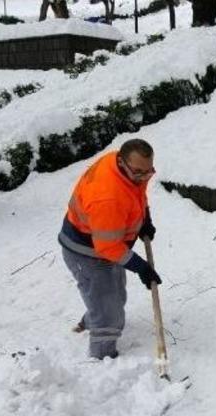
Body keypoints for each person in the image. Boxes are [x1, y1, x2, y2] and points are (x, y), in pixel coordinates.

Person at [58, 139, 162, 359]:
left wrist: (144, 219)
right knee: (109, 315)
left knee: (115, 295)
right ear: (123, 162)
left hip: (105, 242)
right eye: (138, 173)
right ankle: (103, 358)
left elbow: (136, 192)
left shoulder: (125, 167)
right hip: (86, 252)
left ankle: (91, 318)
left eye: (148, 172)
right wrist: (141, 267)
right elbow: (107, 247)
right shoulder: (108, 197)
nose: (144, 178)